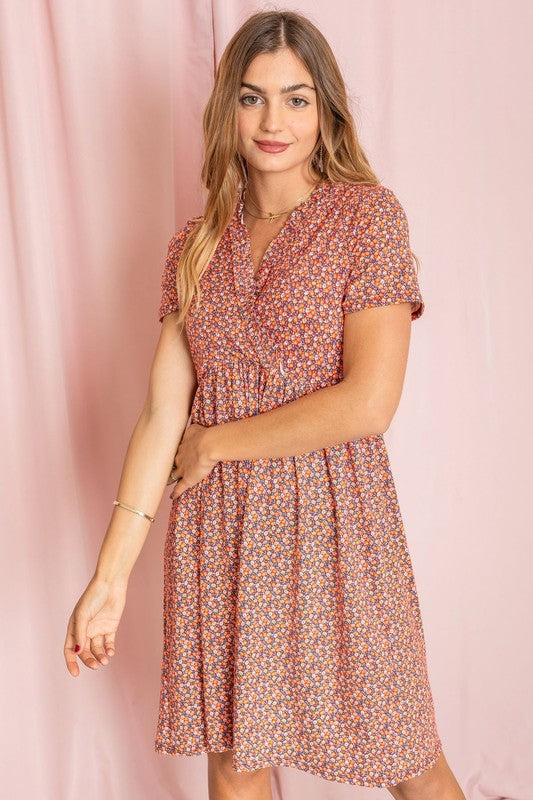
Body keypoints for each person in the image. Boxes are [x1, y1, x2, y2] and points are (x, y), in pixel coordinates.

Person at [64, 9, 466, 800]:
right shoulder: (195, 246)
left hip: (336, 525)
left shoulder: (365, 219)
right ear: (226, 110)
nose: (272, 121)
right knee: (235, 761)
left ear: (326, 111)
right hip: (221, 533)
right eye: (251, 98)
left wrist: (217, 444)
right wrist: (109, 579)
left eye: (295, 98)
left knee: (405, 754)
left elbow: (368, 403)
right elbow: (159, 417)